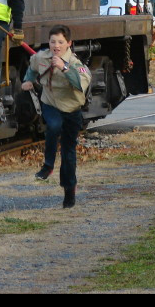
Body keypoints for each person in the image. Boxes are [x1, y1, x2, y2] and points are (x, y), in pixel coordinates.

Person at [21, 24, 91, 209]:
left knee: (69, 153)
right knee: (53, 126)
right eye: (53, 42)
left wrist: (64, 67)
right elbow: (33, 67)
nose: (56, 46)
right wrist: (27, 80)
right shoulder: (42, 57)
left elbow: (80, 84)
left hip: (71, 109)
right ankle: (48, 165)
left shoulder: (77, 64)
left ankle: (69, 192)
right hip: (50, 104)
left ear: (69, 43)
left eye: (60, 42)